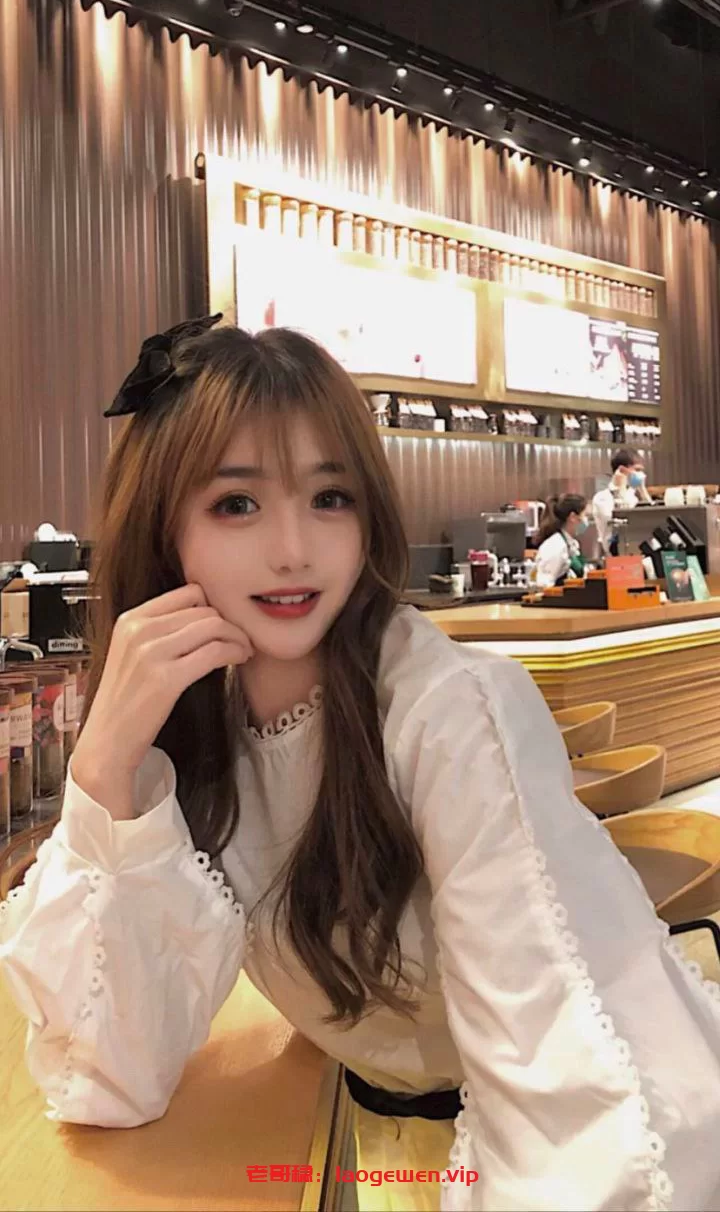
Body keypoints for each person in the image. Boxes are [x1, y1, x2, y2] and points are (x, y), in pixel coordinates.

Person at [3, 317, 720, 1212]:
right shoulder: (200, 730)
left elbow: (576, 1098)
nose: (293, 549)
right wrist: (107, 767)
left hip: (518, 1152)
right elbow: (111, 1076)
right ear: (163, 527)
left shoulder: (449, 714)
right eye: (237, 504)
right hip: (362, 1132)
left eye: (330, 497)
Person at [592, 447, 653, 555]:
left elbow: (652, 519)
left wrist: (643, 491)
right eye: (637, 470)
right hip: (616, 557)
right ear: (622, 470)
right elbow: (621, 521)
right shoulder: (602, 498)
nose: (642, 475)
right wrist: (622, 488)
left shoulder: (633, 497)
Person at [534, 493, 589, 588]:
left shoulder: (572, 544)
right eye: (585, 515)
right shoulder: (555, 546)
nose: (586, 520)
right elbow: (544, 585)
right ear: (572, 517)